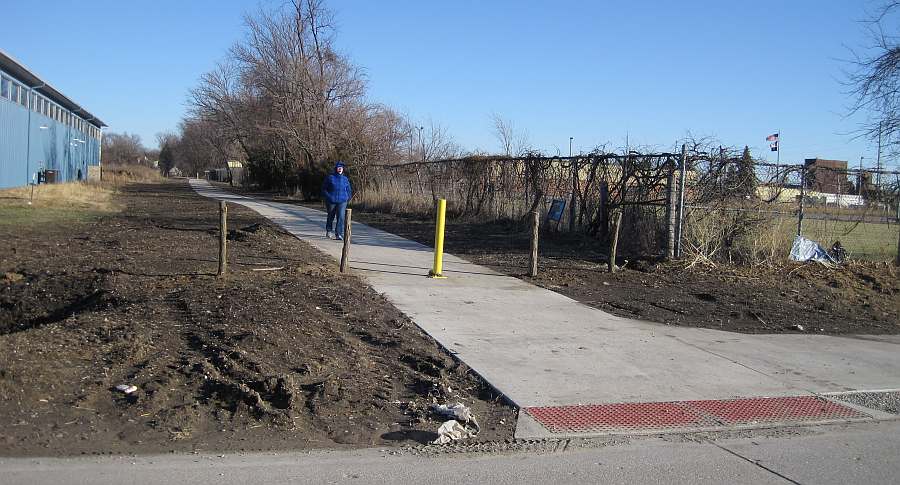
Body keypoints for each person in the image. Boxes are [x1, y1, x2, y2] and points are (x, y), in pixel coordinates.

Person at [321, 161, 352, 240]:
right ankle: (329, 230)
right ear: (336, 169)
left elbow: (349, 190)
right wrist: (329, 197)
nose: (340, 169)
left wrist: (348, 197)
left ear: (343, 169)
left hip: (342, 201)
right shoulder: (330, 177)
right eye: (338, 168)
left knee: (341, 217)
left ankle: (338, 234)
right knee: (331, 216)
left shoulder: (345, 179)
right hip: (331, 201)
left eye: (341, 168)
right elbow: (324, 189)